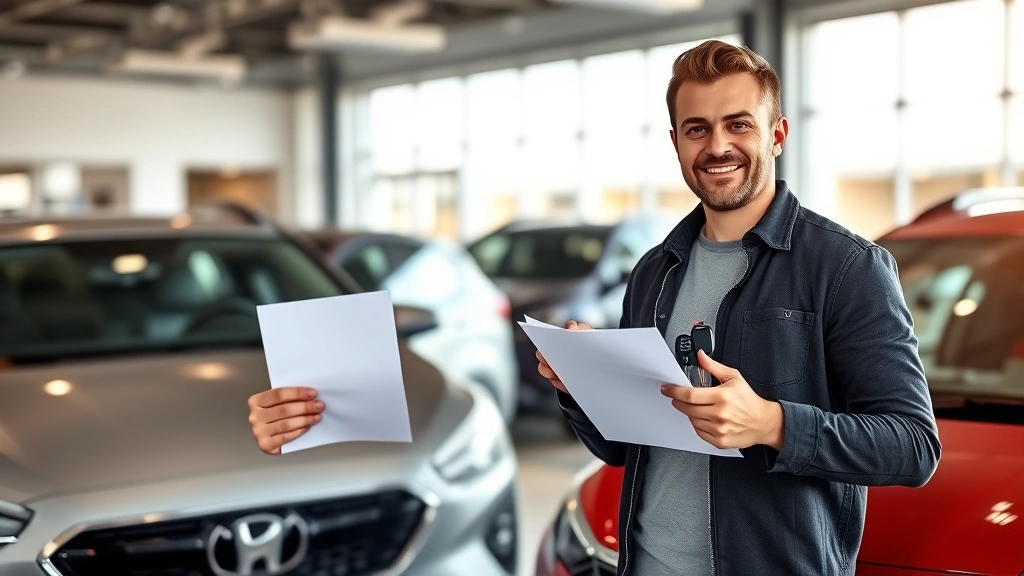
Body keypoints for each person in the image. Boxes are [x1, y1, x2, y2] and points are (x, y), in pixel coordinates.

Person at [536, 40, 941, 576]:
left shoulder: (848, 268)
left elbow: (912, 447)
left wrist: (773, 424)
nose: (717, 145)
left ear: (777, 135)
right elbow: (623, 451)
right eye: (697, 128)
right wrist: (582, 389)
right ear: (677, 142)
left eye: (739, 124)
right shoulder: (655, 272)